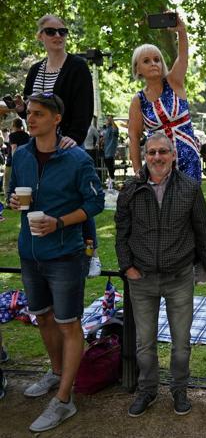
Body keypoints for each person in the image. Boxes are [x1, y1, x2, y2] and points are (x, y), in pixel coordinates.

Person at [8, 92, 104, 432]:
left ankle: (64, 400)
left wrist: (60, 222)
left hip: (65, 254)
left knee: (68, 323)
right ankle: (57, 372)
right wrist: (13, 202)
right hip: (29, 252)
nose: (29, 119)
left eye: (37, 114)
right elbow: (12, 193)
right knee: (43, 317)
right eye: (29, 114)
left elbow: (95, 204)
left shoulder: (76, 158)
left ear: (56, 119)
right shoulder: (20, 155)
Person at [115, 132, 206, 418]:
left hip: (179, 277)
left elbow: (202, 229)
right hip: (142, 278)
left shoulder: (190, 187)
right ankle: (147, 389)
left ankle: (179, 389)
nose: (157, 157)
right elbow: (121, 233)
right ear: (145, 156)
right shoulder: (131, 189)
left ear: (173, 155)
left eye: (163, 152)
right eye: (151, 153)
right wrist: (127, 267)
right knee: (144, 345)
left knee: (181, 344)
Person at [13, 14, 101, 279]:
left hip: (67, 141)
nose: (58, 36)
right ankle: (39, 248)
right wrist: (20, 110)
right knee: (40, 194)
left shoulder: (76, 67)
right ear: (40, 36)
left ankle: (91, 251)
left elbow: (85, 108)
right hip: (40, 143)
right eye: (51, 32)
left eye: (62, 31)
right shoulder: (35, 71)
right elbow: (32, 110)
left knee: (81, 196)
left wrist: (73, 136)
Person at [127, 14, 202, 184]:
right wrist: (138, 172)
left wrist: (181, 32)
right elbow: (134, 137)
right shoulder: (138, 100)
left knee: (188, 207)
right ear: (138, 69)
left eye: (157, 59)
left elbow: (182, 57)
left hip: (188, 161)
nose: (154, 63)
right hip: (158, 165)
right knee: (161, 208)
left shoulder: (174, 82)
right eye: (146, 61)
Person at [4, 118, 30, 197]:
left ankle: (8, 200)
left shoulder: (12, 135)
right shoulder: (26, 135)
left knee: (7, 182)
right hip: (25, 161)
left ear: (13, 125)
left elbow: (14, 148)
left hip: (12, 162)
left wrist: (15, 162)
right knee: (21, 181)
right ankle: (21, 197)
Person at [102, 115, 119, 181]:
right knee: (107, 163)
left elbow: (116, 130)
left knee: (110, 164)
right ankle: (111, 178)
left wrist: (112, 121)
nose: (105, 122)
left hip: (110, 149)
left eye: (106, 120)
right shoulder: (106, 129)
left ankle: (112, 178)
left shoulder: (113, 128)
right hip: (106, 149)